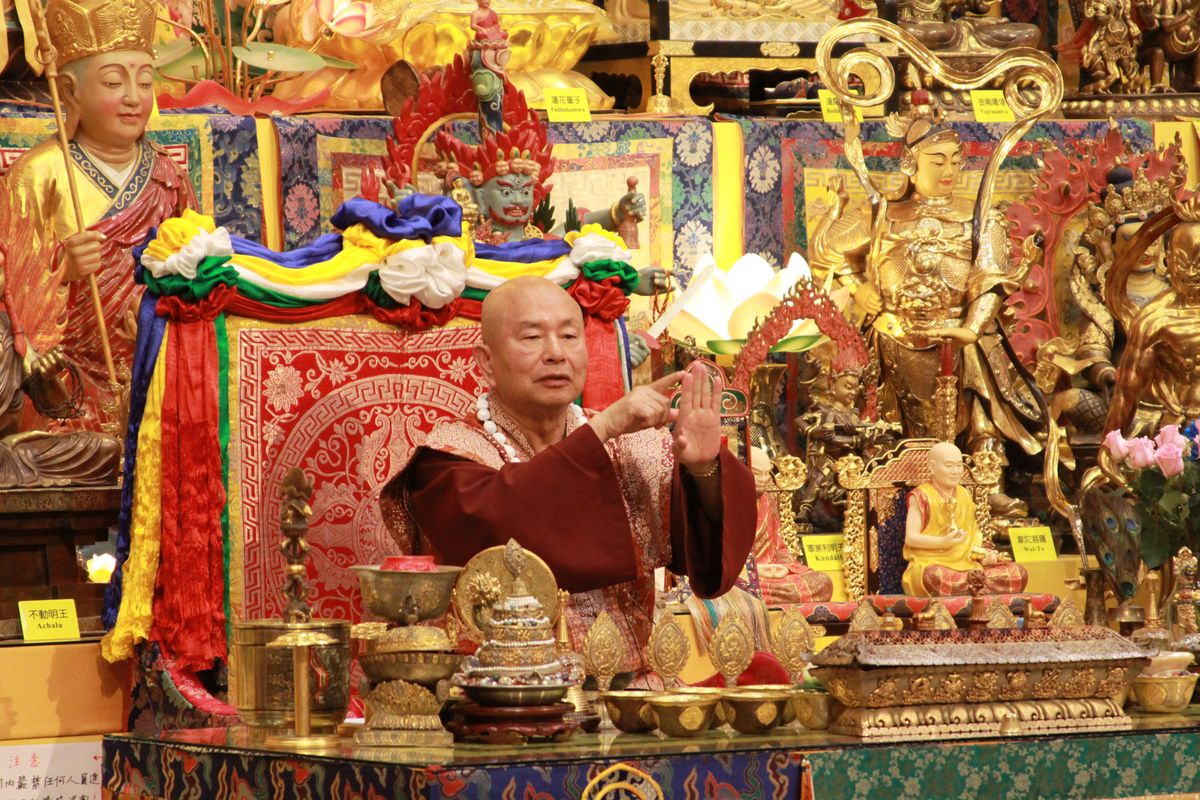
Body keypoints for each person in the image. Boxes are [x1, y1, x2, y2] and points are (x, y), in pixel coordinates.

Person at [380, 276, 756, 677]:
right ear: (486, 362)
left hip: (631, 693)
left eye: (569, 336)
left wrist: (702, 470)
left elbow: (707, 554)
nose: (556, 354)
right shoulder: (450, 457)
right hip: (503, 694)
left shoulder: (632, 445)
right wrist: (602, 428)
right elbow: (502, 530)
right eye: (532, 338)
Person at [2, 0, 195, 428]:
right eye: (112, 82)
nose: (133, 98)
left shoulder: (169, 177)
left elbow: (201, 273)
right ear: (70, 91)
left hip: (154, 371)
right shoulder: (38, 175)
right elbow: (9, 300)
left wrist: (160, 307)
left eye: (144, 82)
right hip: (66, 384)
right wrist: (61, 272)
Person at [901, 441, 1028, 596]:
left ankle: (971, 585)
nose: (955, 471)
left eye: (959, 466)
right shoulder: (921, 496)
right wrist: (943, 542)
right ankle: (976, 586)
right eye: (949, 466)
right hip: (933, 562)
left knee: (1018, 573)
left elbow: (973, 536)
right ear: (933, 467)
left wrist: (985, 554)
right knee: (933, 577)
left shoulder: (964, 494)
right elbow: (911, 538)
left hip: (968, 563)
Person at [749, 448, 833, 605]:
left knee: (823, 582)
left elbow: (780, 546)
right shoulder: (724, 503)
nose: (764, 479)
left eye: (767, 473)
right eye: (757, 474)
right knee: (733, 589)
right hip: (745, 578)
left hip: (772, 579)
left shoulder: (768, 501)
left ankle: (758, 599)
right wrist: (753, 569)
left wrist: (783, 567)